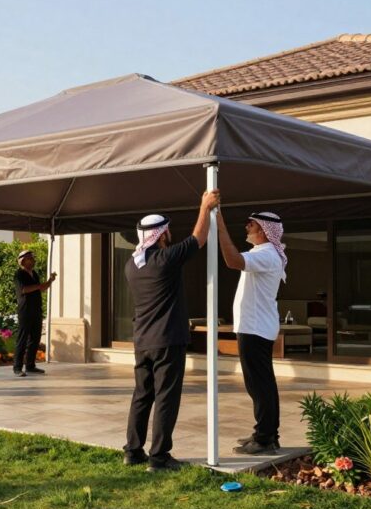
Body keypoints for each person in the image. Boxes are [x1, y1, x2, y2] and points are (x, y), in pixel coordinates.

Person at [123, 190, 220, 472]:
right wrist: (204, 207)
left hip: (142, 341)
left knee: (142, 395)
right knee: (166, 396)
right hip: (168, 340)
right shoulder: (164, 260)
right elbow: (198, 239)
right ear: (160, 234)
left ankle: (133, 450)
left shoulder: (132, 264)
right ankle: (159, 456)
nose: (170, 236)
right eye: (167, 232)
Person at [216, 211, 287, 455]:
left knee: (260, 385)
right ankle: (265, 433)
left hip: (256, 328)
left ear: (264, 230)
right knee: (259, 384)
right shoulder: (262, 253)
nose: (247, 227)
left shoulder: (267, 254)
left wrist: (220, 224)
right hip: (255, 327)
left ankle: (265, 438)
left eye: (252, 224)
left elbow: (232, 260)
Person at [13, 250, 55, 377]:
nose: (33, 260)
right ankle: (17, 368)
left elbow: (41, 288)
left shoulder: (34, 274)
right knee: (22, 339)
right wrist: (38, 286)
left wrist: (50, 280)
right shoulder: (19, 274)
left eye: (33, 258)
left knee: (35, 339)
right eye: (30, 258)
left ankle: (30, 366)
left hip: (36, 310)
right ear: (23, 261)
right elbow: (24, 289)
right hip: (25, 311)